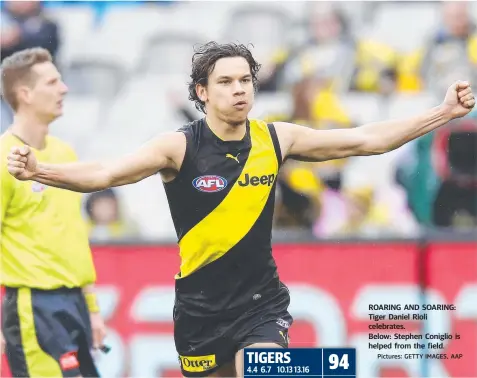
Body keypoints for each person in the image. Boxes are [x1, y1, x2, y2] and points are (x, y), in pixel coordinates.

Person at [6, 42, 475, 377]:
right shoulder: (177, 148)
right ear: (202, 92)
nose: (239, 90)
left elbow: (365, 140)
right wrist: (39, 171)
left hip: (262, 304)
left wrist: (442, 112)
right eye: (225, 81)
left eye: (246, 80)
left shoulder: (276, 139)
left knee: (267, 371)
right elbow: (106, 174)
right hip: (200, 311)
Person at [0, 47, 107, 377]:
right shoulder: (4, 158)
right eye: (52, 82)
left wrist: (91, 308)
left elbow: (73, 235)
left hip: (73, 304)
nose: (64, 88)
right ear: (25, 94)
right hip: (34, 306)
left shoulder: (65, 153)